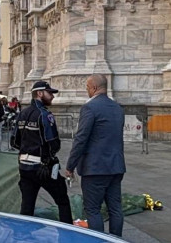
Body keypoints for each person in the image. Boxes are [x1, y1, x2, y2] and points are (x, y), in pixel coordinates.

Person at [66, 74, 126, 237]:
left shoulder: (89, 108)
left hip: (95, 168)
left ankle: (98, 240)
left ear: (94, 88)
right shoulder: (117, 108)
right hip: (116, 166)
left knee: (93, 209)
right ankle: (116, 240)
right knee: (115, 208)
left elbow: (81, 139)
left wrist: (70, 166)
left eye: (87, 87)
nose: (87, 90)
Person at [12, 81, 72, 224]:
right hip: (43, 167)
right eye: (49, 93)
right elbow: (53, 143)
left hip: (24, 167)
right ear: (39, 93)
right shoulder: (45, 114)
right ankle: (68, 232)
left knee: (27, 206)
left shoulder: (22, 114)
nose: (52, 96)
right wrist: (46, 157)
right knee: (63, 201)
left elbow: (14, 141)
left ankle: (23, 234)